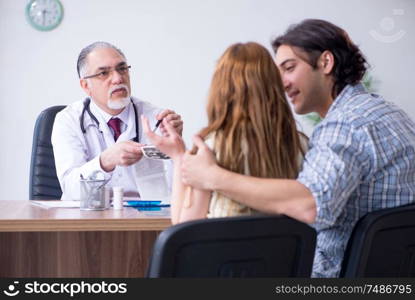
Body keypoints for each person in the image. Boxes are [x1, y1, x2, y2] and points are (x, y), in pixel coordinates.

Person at [177, 19, 415, 277]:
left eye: (289, 68)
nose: (282, 83)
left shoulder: (344, 125)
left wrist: (213, 177)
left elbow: (310, 205)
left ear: (325, 62)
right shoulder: (391, 114)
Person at [142, 42, 306, 224]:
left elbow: (183, 226)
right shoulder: (302, 145)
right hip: (283, 253)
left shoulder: (209, 149)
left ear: (220, 90)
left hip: (222, 252)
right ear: (274, 85)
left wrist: (179, 156)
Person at [51, 41, 183, 200]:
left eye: (122, 69)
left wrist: (176, 150)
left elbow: (175, 192)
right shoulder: (68, 120)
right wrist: (105, 161)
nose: (118, 78)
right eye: (103, 73)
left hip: (145, 218)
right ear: (86, 85)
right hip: (88, 219)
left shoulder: (157, 119)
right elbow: (71, 190)